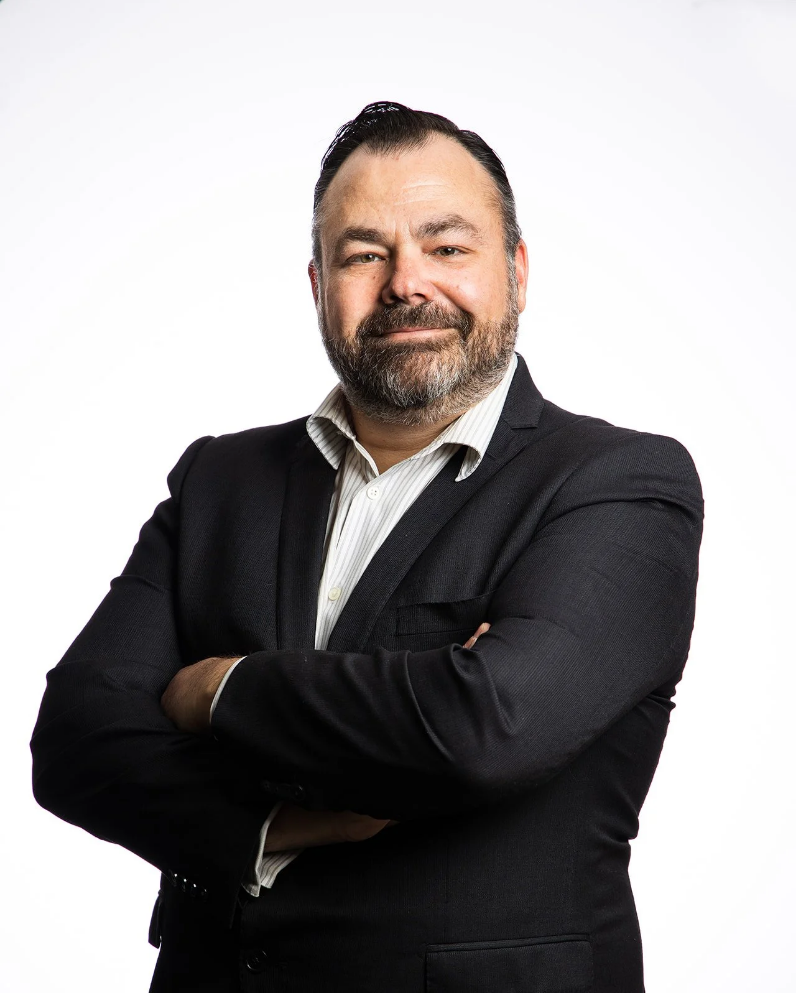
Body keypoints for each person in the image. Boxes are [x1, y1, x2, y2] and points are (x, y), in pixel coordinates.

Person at [30, 101, 704, 993]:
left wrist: (216, 688)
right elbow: (75, 739)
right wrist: (279, 823)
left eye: (447, 247)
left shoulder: (619, 483)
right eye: (363, 254)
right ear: (318, 286)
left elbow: (484, 725)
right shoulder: (218, 480)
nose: (404, 283)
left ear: (517, 271)